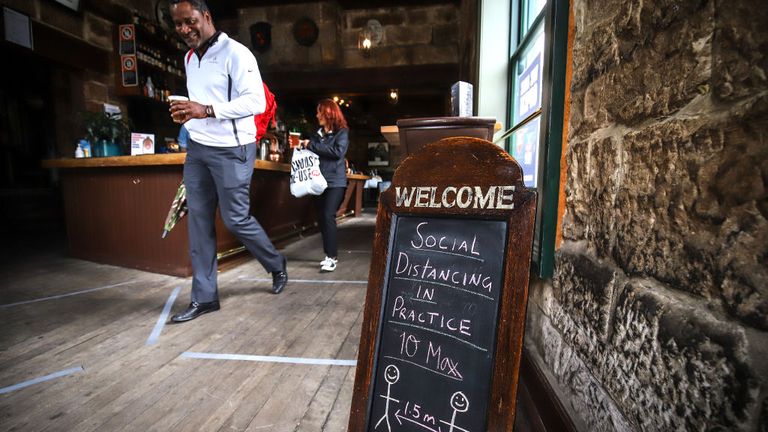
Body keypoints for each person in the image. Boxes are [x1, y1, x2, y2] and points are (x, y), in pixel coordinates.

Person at [168, 0, 287, 323]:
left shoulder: (237, 53)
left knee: (235, 219)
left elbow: (256, 101)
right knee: (199, 221)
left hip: (233, 149)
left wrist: (205, 110)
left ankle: (276, 264)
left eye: (189, 21)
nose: (183, 30)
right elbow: (200, 104)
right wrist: (187, 114)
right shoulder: (190, 58)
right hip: (198, 149)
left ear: (205, 16)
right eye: (177, 24)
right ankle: (204, 298)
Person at [300, 99, 349, 272]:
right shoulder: (316, 134)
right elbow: (312, 154)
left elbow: (337, 153)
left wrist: (312, 145)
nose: (317, 115)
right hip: (318, 182)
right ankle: (328, 254)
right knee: (322, 217)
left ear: (328, 113)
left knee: (328, 215)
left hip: (336, 182)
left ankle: (332, 257)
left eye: (319, 112)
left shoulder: (341, 133)